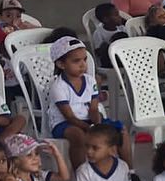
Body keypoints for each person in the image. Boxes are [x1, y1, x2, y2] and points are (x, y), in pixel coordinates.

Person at [48, 36, 130, 168]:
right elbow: (69, 117)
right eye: (76, 61)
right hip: (64, 123)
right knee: (78, 135)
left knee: (120, 130)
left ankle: (129, 172)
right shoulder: (58, 86)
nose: (82, 65)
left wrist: (97, 125)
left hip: (88, 121)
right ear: (61, 64)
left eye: (84, 59)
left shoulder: (90, 81)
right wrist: (91, 129)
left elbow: (93, 109)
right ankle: (81, 176)